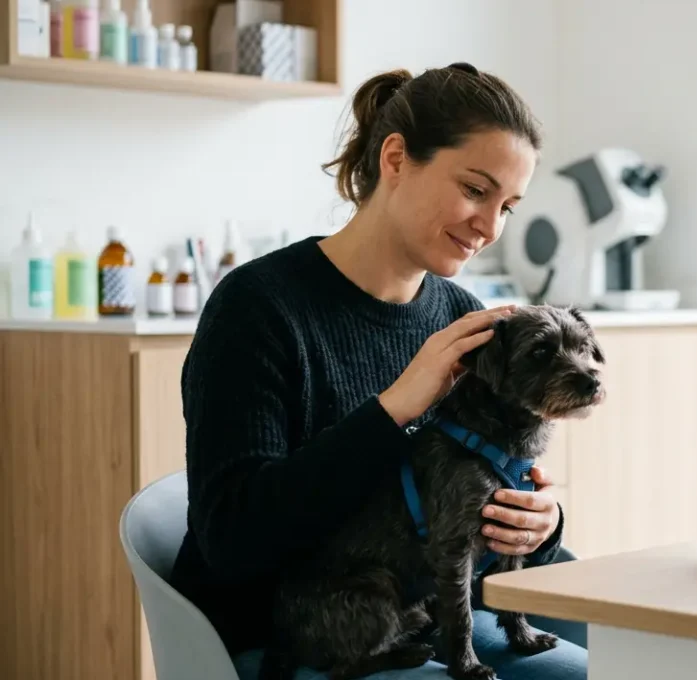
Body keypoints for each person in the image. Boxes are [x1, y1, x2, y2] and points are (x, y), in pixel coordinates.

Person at [168, 62, 587, 680]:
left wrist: (539, 527)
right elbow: (233, 540)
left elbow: (480, 489)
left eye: (509, 207)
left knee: (604, 662)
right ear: (395, 158)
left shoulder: (461, 318)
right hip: (297, 637)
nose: (490, 227)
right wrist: (394, 409)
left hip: (424, 615)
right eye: (475, 190)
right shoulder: (256, 309)